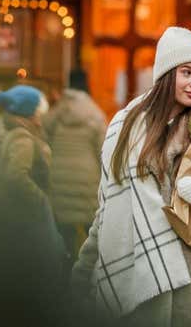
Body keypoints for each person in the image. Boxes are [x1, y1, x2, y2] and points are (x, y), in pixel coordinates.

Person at [71, 27, 191, 326]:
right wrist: (82, 276)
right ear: (166, 74)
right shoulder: (125, 129)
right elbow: (109, 208)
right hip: (143, 290)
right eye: (187, 72)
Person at [0, 84, 68, 325]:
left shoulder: (15, 134)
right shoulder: (23, 138)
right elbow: (15, 176)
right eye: (38, 112)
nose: (42, 118)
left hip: (11, 220)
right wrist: (40, 198)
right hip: (21, 221)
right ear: (30, 113)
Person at [42, 68, 107, 257]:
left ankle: (66, 264)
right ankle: (88, 268)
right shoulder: (94, 112)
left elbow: (44, 131)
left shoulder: (58, 109)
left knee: (65, 231)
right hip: (87, 177)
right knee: (90, 229)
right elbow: (103, 149)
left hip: (59, 174)